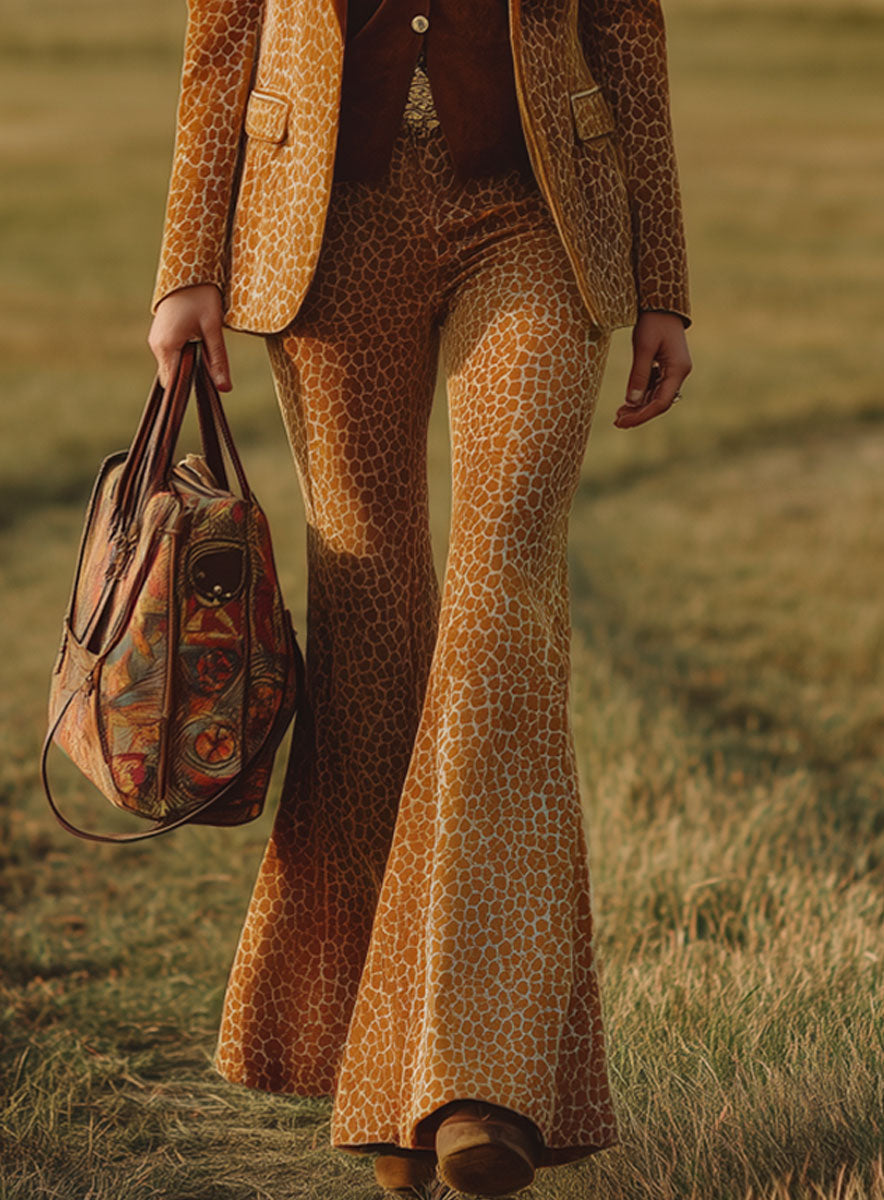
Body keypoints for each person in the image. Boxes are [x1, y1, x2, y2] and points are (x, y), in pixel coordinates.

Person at [147, 1, 692, 1195]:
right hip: (329, 213)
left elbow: (629, 32)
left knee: (502, 592)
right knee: (372, 611)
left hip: (537, 210)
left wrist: (664, 281)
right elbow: (224, 31)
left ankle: (480, 1078)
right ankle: (378, 1063)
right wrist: (186, 264)